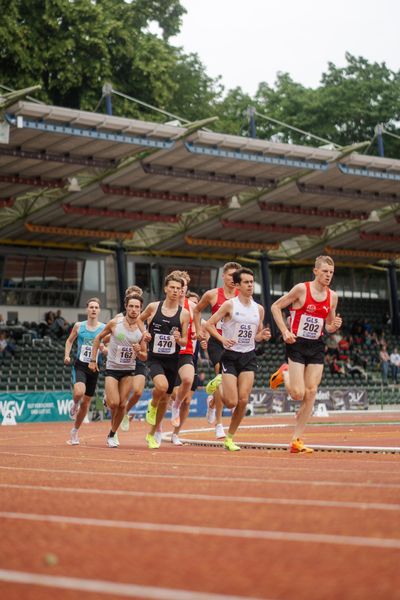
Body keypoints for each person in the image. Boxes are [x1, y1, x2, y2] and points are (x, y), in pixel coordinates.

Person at [270, 255, 342, 453]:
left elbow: (328, 327)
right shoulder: (302, 289)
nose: (328, 275)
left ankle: (296, 440)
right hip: (297, 344)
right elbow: (275, 306)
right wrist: (284, 331)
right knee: (297, 394)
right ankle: (284, 373)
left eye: (331, 272)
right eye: (325, 271)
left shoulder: (332, 297)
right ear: (316, 271)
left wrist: (334, 325)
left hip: (317, 346)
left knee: (311, 392)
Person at [205, 267, 271, 451]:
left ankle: (230, 438)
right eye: (246, 282)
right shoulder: (230, 305)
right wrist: (222, 339)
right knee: (231, 402)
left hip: (248, 356)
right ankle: (218, 386)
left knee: (243, 401)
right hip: (230, 357)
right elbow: (209, 324)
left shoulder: (259, 309)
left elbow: (256, 336)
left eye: (252, 282)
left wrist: (262, 336)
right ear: (238, 285)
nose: (250, 285)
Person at [89, 294, 147, 447]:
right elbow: (98, 338)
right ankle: (107, 399)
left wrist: (139, 350)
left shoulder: (142, 330)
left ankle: (112, 434)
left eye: (137, 307)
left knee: (122, 405)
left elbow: (144, 357)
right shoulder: (115, 323)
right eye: (131, 306)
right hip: (113, 368)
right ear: (126, 307)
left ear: (141, 310)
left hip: (129, 369)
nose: (134, 310)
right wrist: (93, 359)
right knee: (114, 403)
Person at [140, 273, 189, 449]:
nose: (175, 291)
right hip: (155, 358)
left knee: (166, 400)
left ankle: (152, 434)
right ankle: (151, 405)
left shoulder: (184, 315)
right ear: (166, 289)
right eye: (172, 288)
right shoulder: (154, 307)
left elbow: (184, 342)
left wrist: (178, 339)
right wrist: (144, 333)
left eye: (178, 288)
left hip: (173, 360)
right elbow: (139, 319)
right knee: (160, 387)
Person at [193, 261, 242, 439]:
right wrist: (199, 330)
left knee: (231, 385)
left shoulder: (242, 297)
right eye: (230, 276)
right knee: (222, 378)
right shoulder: (213, 295)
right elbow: (197, 311)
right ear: (223, 276)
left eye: (237, 277)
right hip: (217, 342)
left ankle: (212, 402)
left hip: (236, 344)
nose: (233, 280)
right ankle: (219, 425)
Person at [64, 298, 106, 446]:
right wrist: (67, 355)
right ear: (87, 309)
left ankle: (75, 431)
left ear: (99, 310)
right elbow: (69, 341)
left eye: (96, 307)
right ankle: (75, 403)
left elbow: (107, 346)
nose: (94, 310)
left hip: (95, 368)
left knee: (86, 403)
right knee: (78, 392)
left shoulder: (104, 328)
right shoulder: (79, 326)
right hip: (81, 365)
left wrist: (104, 349)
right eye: (91, 307)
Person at [170, 289, 208, 446]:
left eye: (195, 303)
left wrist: (205, 340)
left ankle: (175, 434)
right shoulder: (177, 313)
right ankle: (165, 411)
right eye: (190, 301)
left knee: (187, 401)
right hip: (173, 358)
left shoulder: (198, 319)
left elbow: (209, 328)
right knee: (173, 394)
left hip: (190, 360)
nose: (192, 306)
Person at [117, 285, 148, 433]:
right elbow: (109, 338)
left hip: (138, 359)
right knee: (118, 398)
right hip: (120, 359)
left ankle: (125, 412)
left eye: (138, 304)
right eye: (131, 303)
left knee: (137, 392)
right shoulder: (118, 319)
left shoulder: (144, 321)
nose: (134, 307)